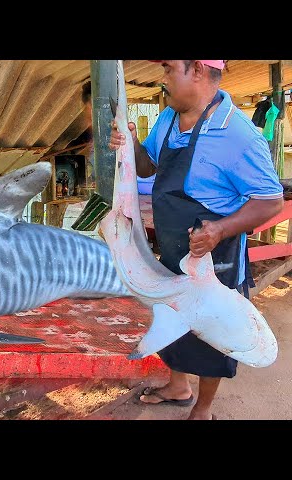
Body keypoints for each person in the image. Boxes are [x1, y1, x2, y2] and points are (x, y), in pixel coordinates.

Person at [109, 60, 284, 420]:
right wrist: (130, 144)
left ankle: (202, 410)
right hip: (176, 244)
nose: (163, 78)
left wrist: (220, 229)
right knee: (171, 313)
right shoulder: (170, 118)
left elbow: (270, 200)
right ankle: (178, 385)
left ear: (199, 72)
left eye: (170, 69)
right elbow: (148, 166)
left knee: (210, 335)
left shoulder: (237, 133)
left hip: (214, 252)